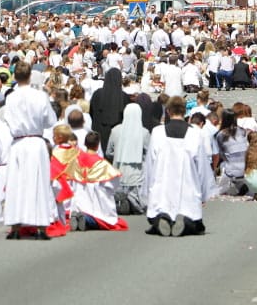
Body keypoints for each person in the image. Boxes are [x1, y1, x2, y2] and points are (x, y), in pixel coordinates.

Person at [3, 61, 58, 240]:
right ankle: (41, 226)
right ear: (29, 76)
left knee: (16, 184)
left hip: (18, 142)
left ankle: (15, 227)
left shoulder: (11, 97)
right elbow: (50, 120)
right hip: (35, 141)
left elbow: (7, 120)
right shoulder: (40, 96)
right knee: (39, 183)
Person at [145, 96, 211, 236]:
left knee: (158, 210)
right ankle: (184, 220)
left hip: (162, 185)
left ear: (168, 111)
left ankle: (162, 218)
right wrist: (203, 194)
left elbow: (151, 162)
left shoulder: (158, 132)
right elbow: (202, 167)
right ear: (184, 111)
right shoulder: (194, 133)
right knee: (193, 219)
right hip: (187, 185)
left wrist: (149, 189)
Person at [70, 131, 128, 231]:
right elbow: (112, 184)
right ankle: (86, 219)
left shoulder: (76, 161)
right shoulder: (102, 164)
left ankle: (78, 215)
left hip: (80, 199)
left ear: (85, 144)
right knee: (105, 219)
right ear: (97, 146)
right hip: (95, 201)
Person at [106, 103, 150, 215]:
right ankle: (133, 203)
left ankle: (122, 202)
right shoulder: (144, 132)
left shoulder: (115, 130)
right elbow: (148, 153)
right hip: (137, 177)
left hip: (118, 174)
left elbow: (109, 152)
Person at [89, 68, 129, 153]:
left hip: (98, 133)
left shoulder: (97, 94)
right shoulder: (124, 97)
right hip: (117, 136)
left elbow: (91, 112)